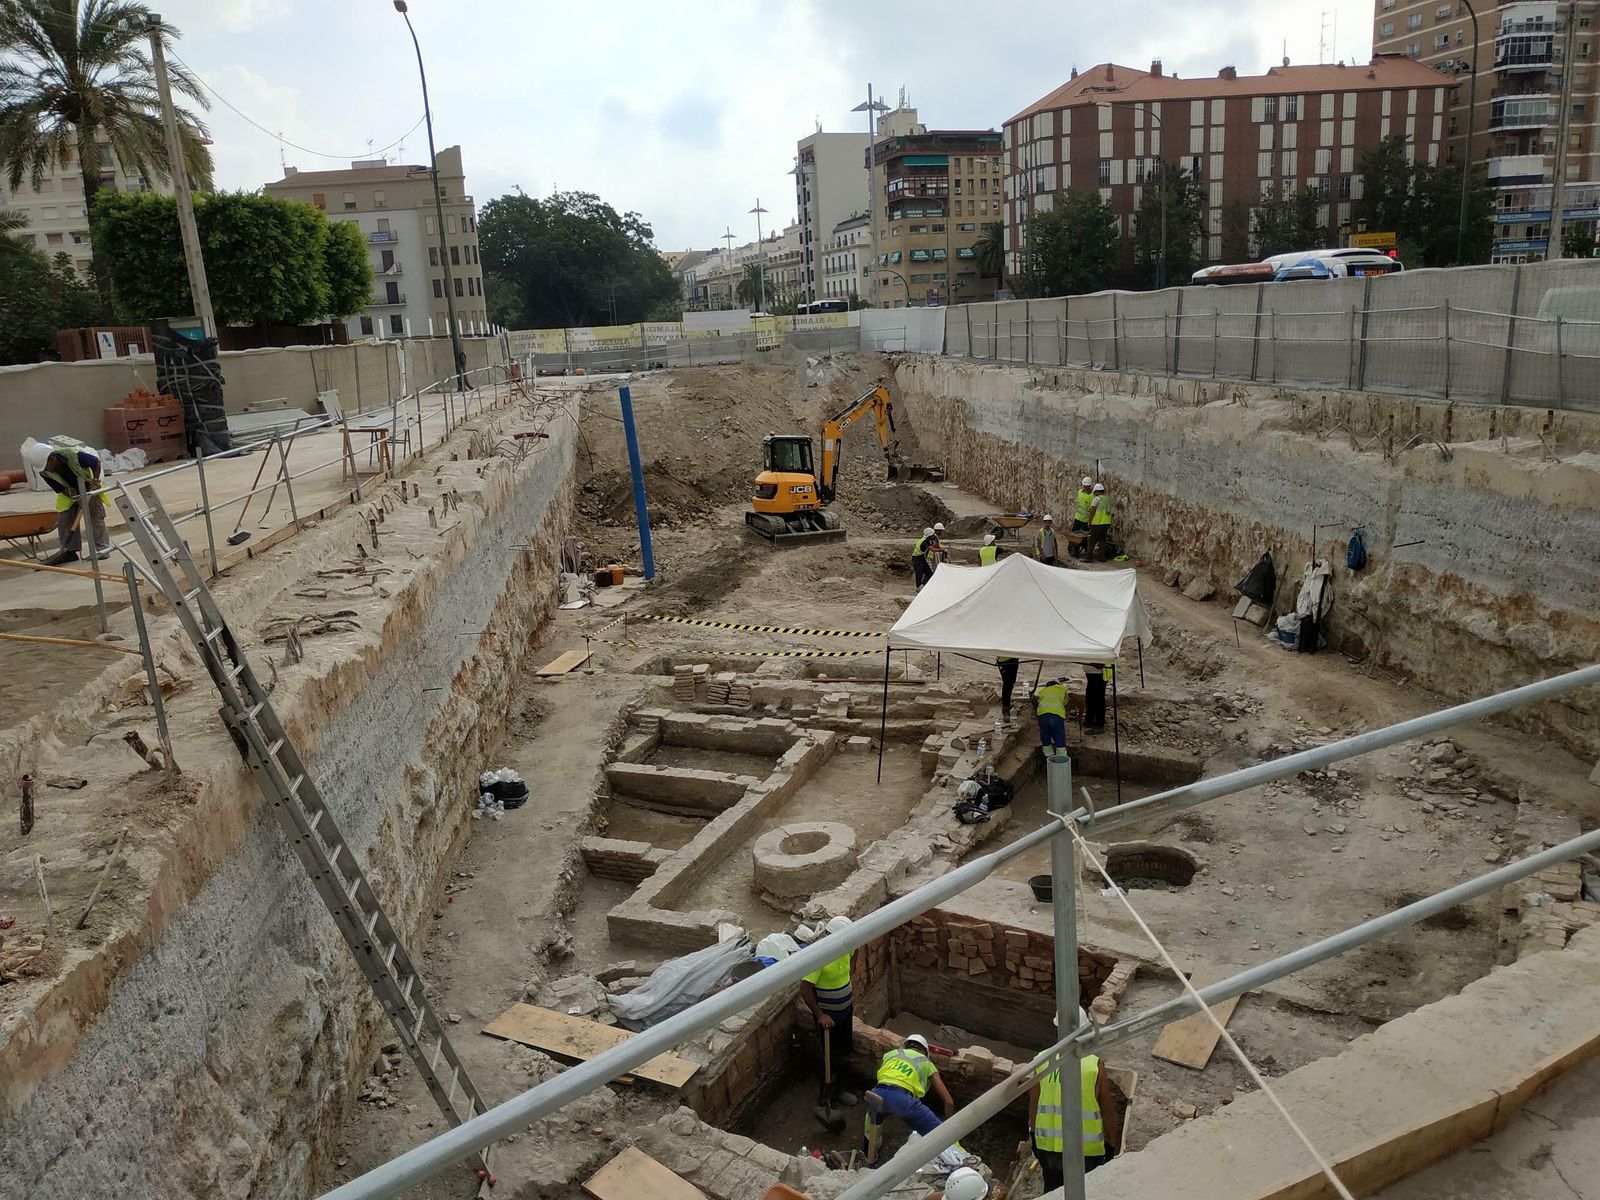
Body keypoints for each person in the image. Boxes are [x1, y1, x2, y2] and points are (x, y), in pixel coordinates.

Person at [1029, 1012, 1120, 1188]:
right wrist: (1111, 1143)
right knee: (1087, 1191)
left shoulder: (1041, 1060)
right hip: (1086, 1150)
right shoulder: (1093, 1065)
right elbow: (1107, 1109)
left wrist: (1034, 1136)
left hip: (1049, 1148)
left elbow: (1034, 1104)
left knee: (1054, 1192)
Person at [864, 1033, 956, 1163]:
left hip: (876, 1093)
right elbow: (949, 1101)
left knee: (872, 1122)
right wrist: (951, 1125)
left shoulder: (890, 1055)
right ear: (925, 1051)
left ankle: (870, 1158)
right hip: (902, 1100)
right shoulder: (927, 1063)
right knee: (939, 1133)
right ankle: (959, 1157)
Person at [799, 916, 858, 1115]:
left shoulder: (847, 948)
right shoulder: (819, 957)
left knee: (844, 1051)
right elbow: (805, 989)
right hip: (828, 1018)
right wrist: (820, 1014)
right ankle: (826, 1097)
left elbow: (853, 956)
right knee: (829, 1058)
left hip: (846, 1011)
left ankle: (840, 1090)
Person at [40, 446, 111, 566]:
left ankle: (102, 550)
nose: (47, 470)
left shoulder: (74, 456)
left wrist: (95, 481)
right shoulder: (44, 472)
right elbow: (59, 488)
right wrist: (70, 493)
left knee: (94, 515)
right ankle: (69, 552)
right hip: (70, 489)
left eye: (47, 466)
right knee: (65, 518)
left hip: (89, 484)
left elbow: (96, 462)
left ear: (52, 458)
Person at [1033, 677, 1068, 756]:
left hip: (1042, 715)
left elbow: (1036, 700)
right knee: (1059, 734)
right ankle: (1061, 757)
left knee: (1044, 733)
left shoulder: (1042, 691)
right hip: (1057, 715)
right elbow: (1065, 702)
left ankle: (1048, 755)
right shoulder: (1062, 689)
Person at [1069, 477, 1094, 557]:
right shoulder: (1079, 492)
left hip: (1085, 520)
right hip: (1078, 518)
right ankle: (1073, 550)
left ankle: (1087, 552)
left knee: (1085, 538)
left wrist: (1090, 521)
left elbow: (1091, 509)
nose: (1086, 488)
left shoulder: (1091, 496)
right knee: (1073, 535)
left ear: (1090, 486)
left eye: (1087, 486)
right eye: (1085, 486)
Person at [1088, 484, 1113, 561]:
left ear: (1097, 491)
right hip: (1106, 523)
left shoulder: (1097, 499)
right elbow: (1111, 513)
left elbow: (1092, 511)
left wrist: (1089, 521)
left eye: (1095, 492)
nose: (1094, 494)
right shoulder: (1107, 499)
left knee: (1091, 540)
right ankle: (1102, 557)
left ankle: (1088, 557)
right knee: (1102, 541)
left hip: (1097, 523)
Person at [1084, 662, 1110, 736]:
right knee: (1090, 698)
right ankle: (1090, 720)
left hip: (1098, 674)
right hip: (1092, 673)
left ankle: (1099, 725)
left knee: (1098, 699)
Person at [996, 656, 1019, 726]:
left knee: (1011, 682)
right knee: (1007, 683)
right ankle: (1005, 708)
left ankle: (1008, 705)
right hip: (1004, 660)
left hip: (1014, 657)